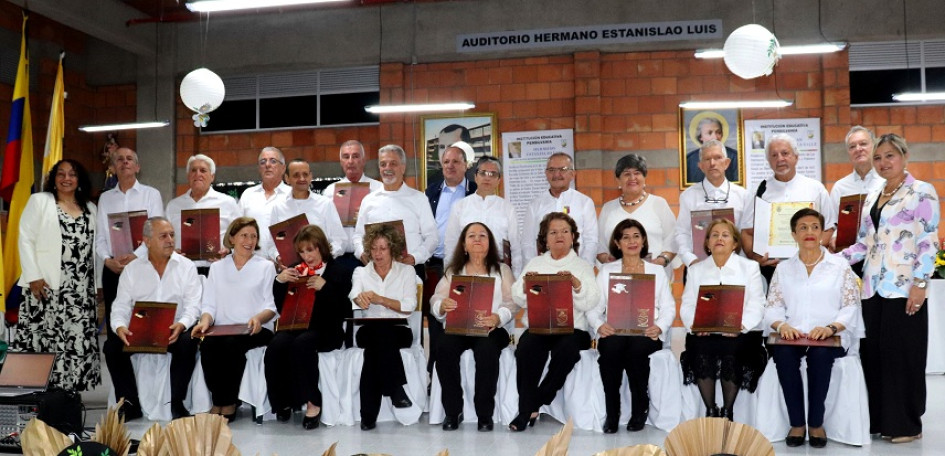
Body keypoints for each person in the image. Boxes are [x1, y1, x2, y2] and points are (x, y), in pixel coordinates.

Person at [840, 133, 940, 443]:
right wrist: (829, 260)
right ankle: (879, 420)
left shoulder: (921, 192)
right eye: (878, 158)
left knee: (903, 355)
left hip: (904, 288)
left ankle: (906, 424)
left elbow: (928, 241)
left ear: (904, 156)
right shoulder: (872, 195)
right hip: (871, 288)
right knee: (875, 355)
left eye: (889, 156)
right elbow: (864, 243)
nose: (883, 163)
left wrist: (920, 284)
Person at [764, 208, 863, 448]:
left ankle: (816, 423)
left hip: (830, 336)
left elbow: (851, 305)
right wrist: (783, 325)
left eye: (815, 227)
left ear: (822, 233)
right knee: (784, 355)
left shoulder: (839, 266)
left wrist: (831, 328)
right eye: (803, 228)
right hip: (793, 335)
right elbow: (772, 307)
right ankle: (797, 423)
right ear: (793, 234)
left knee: (820, 356)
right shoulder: (784, 269)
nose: (810, 232)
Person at [509, 212, 600, 432]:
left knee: (567, 351)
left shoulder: (582, 266)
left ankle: (536, 401)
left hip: (572, 328)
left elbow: (590, 301)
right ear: (545, 238)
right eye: (553, 232)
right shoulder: (535, 262)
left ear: (572, 237)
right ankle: (527, 408)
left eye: (564, 231)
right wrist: (525, 287)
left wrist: (576, 285)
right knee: (525, 350)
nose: (559, 235)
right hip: (539, 326)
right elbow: (517, 297)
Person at [14, 160, 100, 392]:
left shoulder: (91, 209)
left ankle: (69, 396)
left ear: (79, 179)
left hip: (80, 292)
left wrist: (97, 285)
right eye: (61, 174)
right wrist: (33, 276)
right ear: (53, 179)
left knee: (75, 343)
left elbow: (96, 249)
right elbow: (25, 238)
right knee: (44, 343)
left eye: (72, 174)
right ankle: (42, 399)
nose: (66, 178)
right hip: (46, 287)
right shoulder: (40, 201)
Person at [105, 217, 202, 420]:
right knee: (112, 345)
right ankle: (130, 403)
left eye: (172, 235)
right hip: (141, 331)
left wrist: (182, 324)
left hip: (172, 329)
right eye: (163, 236)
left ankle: (176, 402)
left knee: (188, 342)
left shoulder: (186, 267)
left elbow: (194, 305)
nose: (170, 240)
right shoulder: (132, 270)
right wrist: (120, 327)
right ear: (147, 241)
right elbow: (120, 305)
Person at [588, 219, 676, 433]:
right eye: (625, 237)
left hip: (646, 331)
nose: (632, 241)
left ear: (644, 240)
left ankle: (639, 409)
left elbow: (669, 307)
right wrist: (600, 325)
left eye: (636, 236)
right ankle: (612, 413)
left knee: (637, 351)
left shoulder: (656, 272)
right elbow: (593, 307)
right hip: (615, 329)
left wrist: (659, 327)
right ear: (617, 243)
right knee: (610, 350)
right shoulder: (607, 271)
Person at [430, 222, 518, 432]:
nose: (477, 239)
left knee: (487, 350)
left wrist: (498, 317)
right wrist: (441, 306)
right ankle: (453, 411)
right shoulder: (453, 270)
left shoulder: (502, 269)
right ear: (464, 245)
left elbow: (512, 302)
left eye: (482, 235)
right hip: (460, 327)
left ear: (490, 243)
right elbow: (436, 298)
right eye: (472, 236)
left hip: (491, 329)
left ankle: (484, 413)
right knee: (443, 347)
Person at [266, 225, 352, 430]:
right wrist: (279, 281)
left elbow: (345, 309)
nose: (307, 256)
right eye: (303, 251)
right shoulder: (296, 269)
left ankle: (313, 402)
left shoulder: (338, 270)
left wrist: (325, 288)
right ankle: (284, 401)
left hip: (326, 328)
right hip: (296, 325)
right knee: (276, 346)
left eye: (311, 250)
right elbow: (281, 307)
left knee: (301, 345)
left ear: (321, 247)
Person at [191, 217, 278, 421]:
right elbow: (209, 305)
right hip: (222, 328)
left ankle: (228, 402)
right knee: (208, 346)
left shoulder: (265, 266)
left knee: (231, 346)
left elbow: (271, 306)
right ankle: (218, 401)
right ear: (232, 238)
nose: (249, 240)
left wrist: (258, 318)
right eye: (244, 235)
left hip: (255, 328)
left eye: (253, 236)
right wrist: (204, 321)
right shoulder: (218, 268)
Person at [679, 218, 766, 421]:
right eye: (714, 235)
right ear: (707, 243)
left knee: (731, 350)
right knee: (700, 348)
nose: (720, 238)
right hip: (705, 331)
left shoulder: (750, 267)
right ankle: (711, 410)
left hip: (741, 333)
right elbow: (687, 305)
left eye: (725, 235)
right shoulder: (695, 270)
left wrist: (740, 326)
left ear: (735, 243)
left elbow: (757, 304)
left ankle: (728, 410)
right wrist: (695, 325)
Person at [349, 224, 418, 430]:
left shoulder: (407, 271)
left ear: (393, 249)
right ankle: (395, 389)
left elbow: (409, 306)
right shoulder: (360, 272)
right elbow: (353, 296)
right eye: (373, 248)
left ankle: (368, 415)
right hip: (368, 329)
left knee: (375, 350)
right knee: (378, 335)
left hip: (398, 328)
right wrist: (360, 299)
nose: (377, 254)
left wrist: (381, 299)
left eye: (383, 248)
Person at [740, 134, 835, 283]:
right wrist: (755, 256)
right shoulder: (758, 191)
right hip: (772, 269)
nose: (780, 159)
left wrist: (813, 249)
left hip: (810, 267)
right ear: (769, 161)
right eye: (774, 155)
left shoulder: (815, 188)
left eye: (785, 153)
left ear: (796, 157)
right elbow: (746, 232)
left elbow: (829, 228)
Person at [95, 147, 164, 342]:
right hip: (113, 269)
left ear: (137, 166)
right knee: (116, 324)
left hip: (143, 266)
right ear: (113, 167)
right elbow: (100, 236)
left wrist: (135, 256)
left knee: (143, 321)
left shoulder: (151, 195)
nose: (124, 162)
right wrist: (107, 260)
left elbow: (157, 232)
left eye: (129, 159)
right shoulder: (105, 198)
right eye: (119, 159)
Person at [424, 141, 477, 376]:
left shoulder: (475, 191)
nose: (450, 166)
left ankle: (463, 368)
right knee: (437, 316)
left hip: (467, 264)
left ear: (466, 165)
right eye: (446, 162)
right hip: (436, 264)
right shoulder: (431, 192)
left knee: (464, 315)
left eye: (456, 161)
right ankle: (435, 369)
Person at [352, 144, 438, 272]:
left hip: (410, 269)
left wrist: (415, 258)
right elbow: (358, 235)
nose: (387, 168)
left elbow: (432, 237)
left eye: (393, 163)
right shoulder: (368, 200)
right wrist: (361, 253)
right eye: (383, 164)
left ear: (403, 168)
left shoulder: (419, 199)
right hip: (376, 271)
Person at [597, 154, 676, 276]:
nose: (632, 178)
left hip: (655, 275)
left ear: (644, 177)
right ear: (618, 180)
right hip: (618, 278)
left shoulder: (659, 204)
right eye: (627, 174)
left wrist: (661, 261)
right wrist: (607, 259)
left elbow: (673, 239)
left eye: (637, 173)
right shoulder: (608, 209)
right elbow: (599, 244)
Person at [674, 140, 749, 268]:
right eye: (707, 159)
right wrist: (690, 260)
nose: (712, 163)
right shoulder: (688, 196)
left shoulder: (743, 195)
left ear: (726, 163)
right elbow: (682, 232)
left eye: (717, 158)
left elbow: (745, 234)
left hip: (735, 266)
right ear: (700, 166)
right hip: (698, 265)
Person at [443, 155, 523, 276]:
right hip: (466, 270)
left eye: (493, 174)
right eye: (483, 173)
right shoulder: (460, 206)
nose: (487, 178)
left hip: (499, 270)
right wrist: (450, 274)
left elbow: (516, 247)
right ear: (475, 176)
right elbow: (451, 244)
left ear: (499, 180)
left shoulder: (507, 208)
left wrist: (515, 278)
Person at [163, 154, 241, 275]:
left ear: (212, 176)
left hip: (218, 270)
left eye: (203, 170)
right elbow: (164, 237)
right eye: (193, 170)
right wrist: (171, 251)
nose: (197, 174)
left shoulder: (228, 203)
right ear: (188, 176)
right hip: (182, 272)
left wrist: (228, 250)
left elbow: (240, 234)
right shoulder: (173, 206)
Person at [521, 153, 599, 266]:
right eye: (551, 170)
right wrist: (533, 269)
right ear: (546, 174)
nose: (556, 174)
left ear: (572, 174)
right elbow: (527, 243)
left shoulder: (584, 202)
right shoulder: (535, 205)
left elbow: (591, 240)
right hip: (543, 270)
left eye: (562, 169)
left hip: (576, 268)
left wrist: (584, 267)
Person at [828, 126, 884, 276]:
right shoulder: (840, 187)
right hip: (850, 260)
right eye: (852, 146)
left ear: (874, 146)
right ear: (849, 153)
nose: (858, 149)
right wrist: (834, 239)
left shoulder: (887, 181)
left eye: (863, 144)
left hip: (883, 259)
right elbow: (833, 225)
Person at [268, 158, 347, 263]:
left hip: (322, 270)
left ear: (311, 176)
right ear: (287, 178)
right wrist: (279, 258)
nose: (302, 178)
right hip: (292, 271)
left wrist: (322, 257)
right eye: (296, 175)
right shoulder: (278, 208)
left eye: (305, 174)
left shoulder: (325, 204)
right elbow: (271, 244)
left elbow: (340, 240)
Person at [322, 140, 382, 269]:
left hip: (368, 259)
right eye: (346, 157)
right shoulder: (329, 192)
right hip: (338, 259)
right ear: (341, 162)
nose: (350, 161)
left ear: (364, 160)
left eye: (355, 156)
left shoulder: (378, 189)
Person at [238, 146, 291, 259]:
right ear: (259, 168)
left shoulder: (293, 195)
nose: (267, 165)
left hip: (285, 266)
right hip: (251, 264)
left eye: (273, 161)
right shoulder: (248, 195)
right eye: (263, 162)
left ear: (283, 168)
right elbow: (236, 230)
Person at [685, 116, 740, 184]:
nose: (715, 137)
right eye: (709, 133)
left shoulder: (734, 156)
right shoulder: (690, 159)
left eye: (718, 132)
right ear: (700, 137)